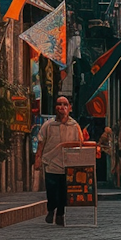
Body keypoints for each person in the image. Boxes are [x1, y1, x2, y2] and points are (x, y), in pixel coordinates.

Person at [33, 93, 85, 227]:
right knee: (51, 189)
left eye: (65, 104)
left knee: (64, 191)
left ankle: (60, 214)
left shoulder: (74, 126)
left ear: (70, 108)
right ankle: (51, 209)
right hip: (51, 162)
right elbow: (41, 142)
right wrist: (37, 158)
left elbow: (80, 143)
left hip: (68, 164)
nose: (62, 107)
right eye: (59, 104)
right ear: (55, 108)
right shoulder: (48, 125)